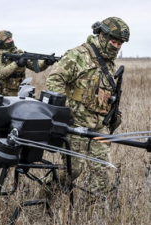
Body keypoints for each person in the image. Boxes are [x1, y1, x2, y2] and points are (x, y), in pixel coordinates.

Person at [45, 17, 130, 204]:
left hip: (100, 126)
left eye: (119, 43)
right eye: (113, 41)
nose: (116, 46)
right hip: (76, 123)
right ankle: (46, 195)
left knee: (102, 172)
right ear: (102, 36)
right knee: (72, 169)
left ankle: (94, 215)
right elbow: (54, 80)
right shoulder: (78, 55)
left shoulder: (109, 63)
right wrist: (65, 111)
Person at [0, 30, 54, 96]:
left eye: (10, 38)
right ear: (1, 44)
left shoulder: (19, 53)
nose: (11, 40)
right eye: (7, 39)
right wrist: (16, 63)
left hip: (21, 92)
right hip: (4, 94)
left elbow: (36, 67)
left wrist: (46, 63)